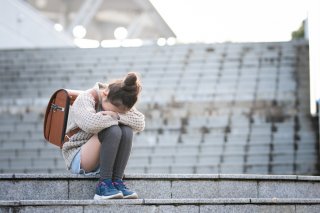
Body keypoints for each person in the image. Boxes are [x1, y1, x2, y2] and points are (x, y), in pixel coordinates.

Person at [61, 72, 145, 200]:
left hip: (103, 157)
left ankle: (117, 182)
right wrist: (117, 119)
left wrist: (115, 115)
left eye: (120, 113)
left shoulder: (120, 96)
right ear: (105, 94)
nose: (115, 114)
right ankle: (103, 186)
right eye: (114, 110)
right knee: (114, 130)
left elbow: (140, 122)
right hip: (79, 156)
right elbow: (90, 123)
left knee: (127, 130)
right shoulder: (86, 98)